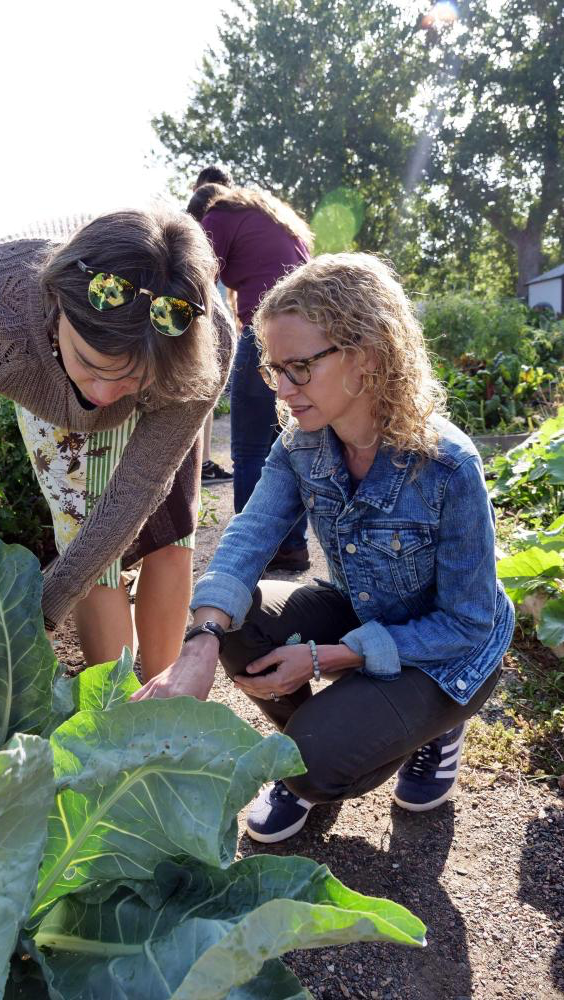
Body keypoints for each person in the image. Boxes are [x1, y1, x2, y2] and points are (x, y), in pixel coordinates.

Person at [134, 252, 515, 840]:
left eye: (300, 369)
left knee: (313, 761)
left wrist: (326, 658)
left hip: (449, 653)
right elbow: (249, 534)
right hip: (365, 610)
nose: (283, 390)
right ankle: (315, 749)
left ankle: (424, 729)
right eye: (274, 370)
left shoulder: (447, 465)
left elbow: (466, 625)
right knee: (236, 620)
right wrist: (201, 639)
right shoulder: (303, 444)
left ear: (365, 357)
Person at [0, 208, 234, 680]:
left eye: (130, 379)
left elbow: (141, 486)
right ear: (57, 305)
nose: (102, 394)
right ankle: (114, 707)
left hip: (170, 377)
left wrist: (45, 606)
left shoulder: (205, 342)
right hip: (44, 382)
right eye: (91, 365)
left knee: (173, 533)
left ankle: (166, 694)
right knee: (87, 540)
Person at [189, 181, 313, 570]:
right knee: (290, 443)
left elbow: (195, 281)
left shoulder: (218, 216)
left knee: (248, 449)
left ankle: (250, 552)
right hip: (309, 336)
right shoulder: (270, 217)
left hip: (268, 331)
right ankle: (292, 546)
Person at [190, 166, 235, 486]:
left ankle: (202, 464)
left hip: (216, 315)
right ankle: (193, 465)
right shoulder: (188, 222)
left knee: (208, 391)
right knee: (193, 390)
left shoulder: (226, 221)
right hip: (194, 312)